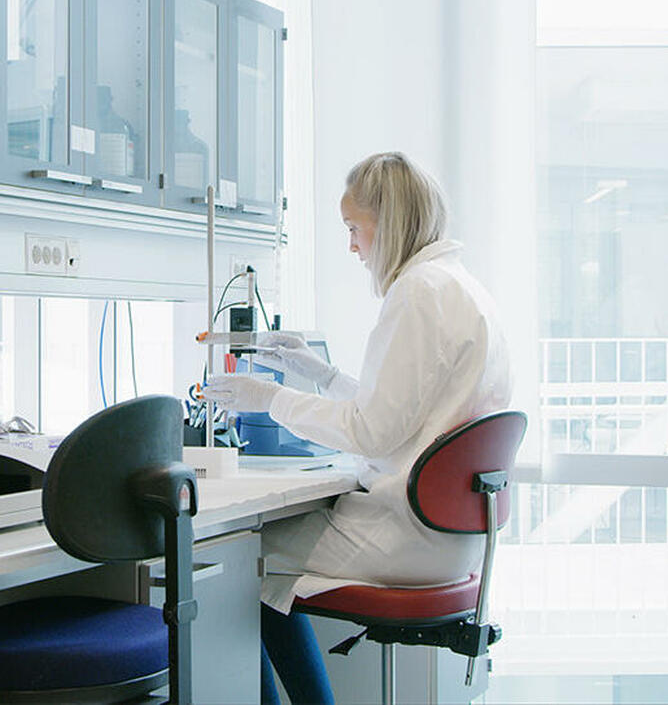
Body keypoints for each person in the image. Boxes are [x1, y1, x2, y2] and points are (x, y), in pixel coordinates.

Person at [205, 152, 513, 704]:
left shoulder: (417, 292)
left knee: (233, 561)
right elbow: (408, 414)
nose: (351, 246)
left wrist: (271, 398)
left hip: (409, 537)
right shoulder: (458, 286)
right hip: (454, 540)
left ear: (387, 224)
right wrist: (320, 375)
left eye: (354, 228)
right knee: (255, 561)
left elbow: (372, 433)